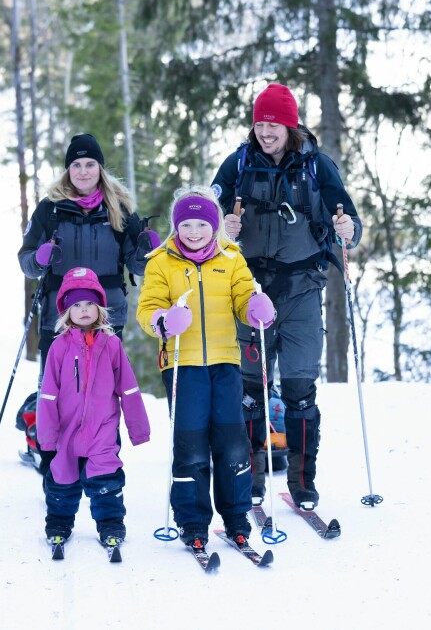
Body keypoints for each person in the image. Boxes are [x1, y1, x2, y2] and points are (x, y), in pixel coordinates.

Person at [210, 82, 362, 510]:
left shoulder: (317, 166)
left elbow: (347, 216)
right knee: (249, 389)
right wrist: (224, 226)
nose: (265, 131)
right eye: (260, 123)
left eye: (273, 124)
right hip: (248, 289)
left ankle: (301, 482)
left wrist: (350, 230)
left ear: (290, 125)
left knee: (299, 388)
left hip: (301, 288)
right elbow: (203, 217)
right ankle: (251, 479)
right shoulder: (237, 165)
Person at [136, 186, 276, 550]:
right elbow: (146, 309)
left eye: (201, 224)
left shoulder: (231, 258)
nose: (194, 232)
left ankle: (235, 517)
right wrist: (164, 320)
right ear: (175, 226)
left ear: (214, 227)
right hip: (183, 366)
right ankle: (193, 521)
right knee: (191, 446)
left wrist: (256, 308)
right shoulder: (161, 262)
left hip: (225, 363)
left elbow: (245, 295)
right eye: (186, 224)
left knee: (232, 444)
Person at [18, 133, 159, 464]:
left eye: (90, 164)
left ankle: (103, 454)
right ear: (68, 170)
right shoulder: (49, 210)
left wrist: (146, 250)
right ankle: (52, 453)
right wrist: (40, 257)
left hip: (107, 315)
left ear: (100, 168)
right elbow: (26, 262)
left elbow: (139, 266)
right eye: (76, 165)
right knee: (54, 387)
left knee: (103, 389)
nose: (83, 171)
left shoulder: (120, 209)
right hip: (59, 314)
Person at [37, 266, 151, 547]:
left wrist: (138, 430)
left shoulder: (111, 345)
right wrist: (47, 437)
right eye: (77, 304)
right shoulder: (59, 347)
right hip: (66, 429)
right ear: (67, 311)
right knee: (62, 481)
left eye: (90, 303)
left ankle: (111, 525)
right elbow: (48, 395)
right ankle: (59, 524)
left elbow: (129, 390)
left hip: (103, 428)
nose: (84, 309)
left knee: (106, 480)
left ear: (100, 307)